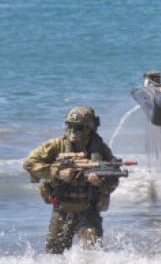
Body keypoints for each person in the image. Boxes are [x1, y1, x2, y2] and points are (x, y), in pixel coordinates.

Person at [23, 107, 120, 254]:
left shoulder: (100, 149)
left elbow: (114, 177)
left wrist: (100, 182)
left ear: (88, 129)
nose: (73, 130)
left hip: (89, 210)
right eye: (69, 126)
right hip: (62, 208)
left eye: (78, 127)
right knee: (53, 255)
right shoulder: (56, 145)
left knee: (93, 253)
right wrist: (57, 173)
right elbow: (29, 164)